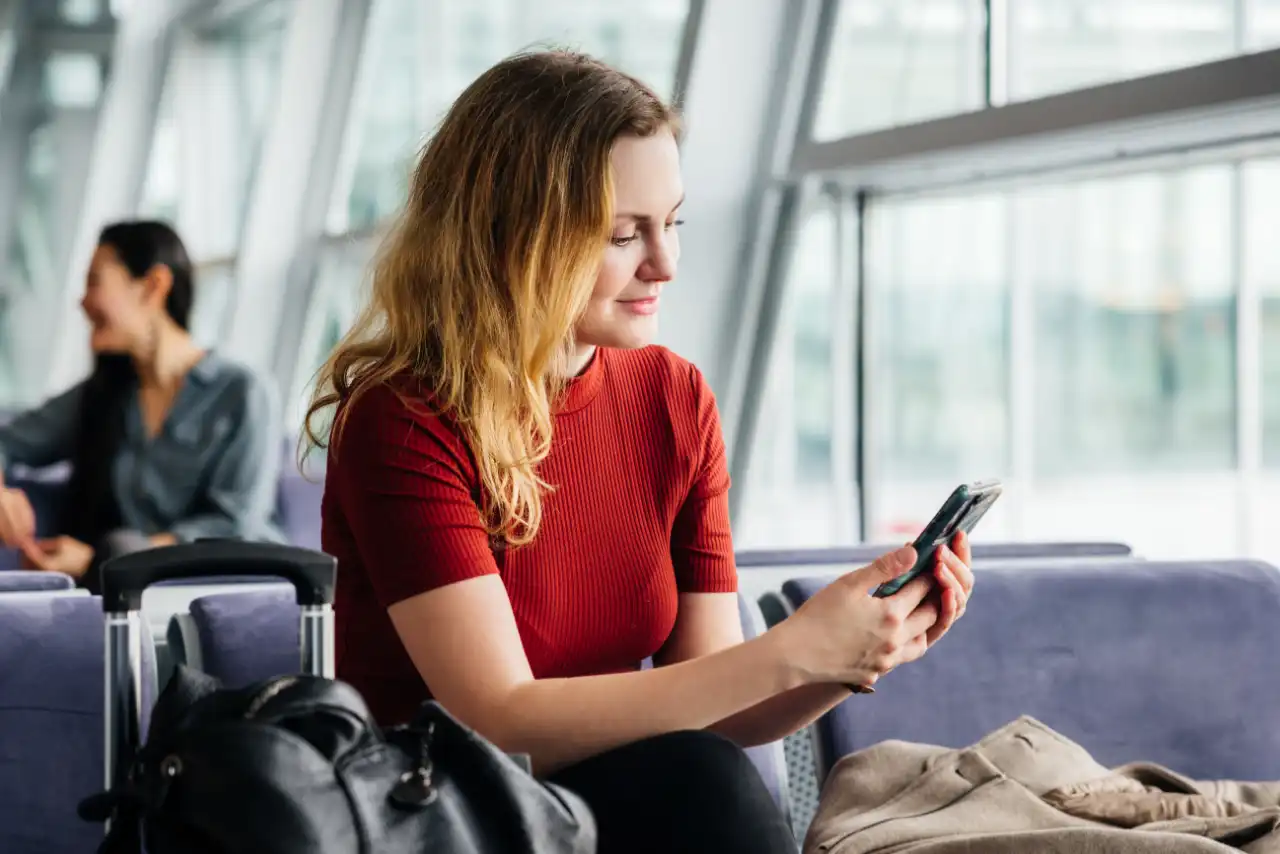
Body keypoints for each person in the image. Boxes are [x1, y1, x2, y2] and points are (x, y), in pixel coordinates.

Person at [305, 51, 975, 854]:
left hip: (606, 807)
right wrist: (791, 649)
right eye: (624, 235)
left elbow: (721, 705)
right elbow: (496, 719)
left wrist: (849, 656)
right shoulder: (405, 419)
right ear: (517, 237)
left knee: (705, 776)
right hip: (442, 810)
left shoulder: (674, 397)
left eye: (673, 223)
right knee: (701, 786)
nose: (665, 263)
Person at [0, 220, 283, 590]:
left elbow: (235, 527)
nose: (82, 301)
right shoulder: (99, 396)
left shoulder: (244, 392)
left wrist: (105, 561)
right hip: (131, 597)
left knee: (119, 547)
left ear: (153, 286)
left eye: (95, 282)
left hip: (228, 589)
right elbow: (7, 441)